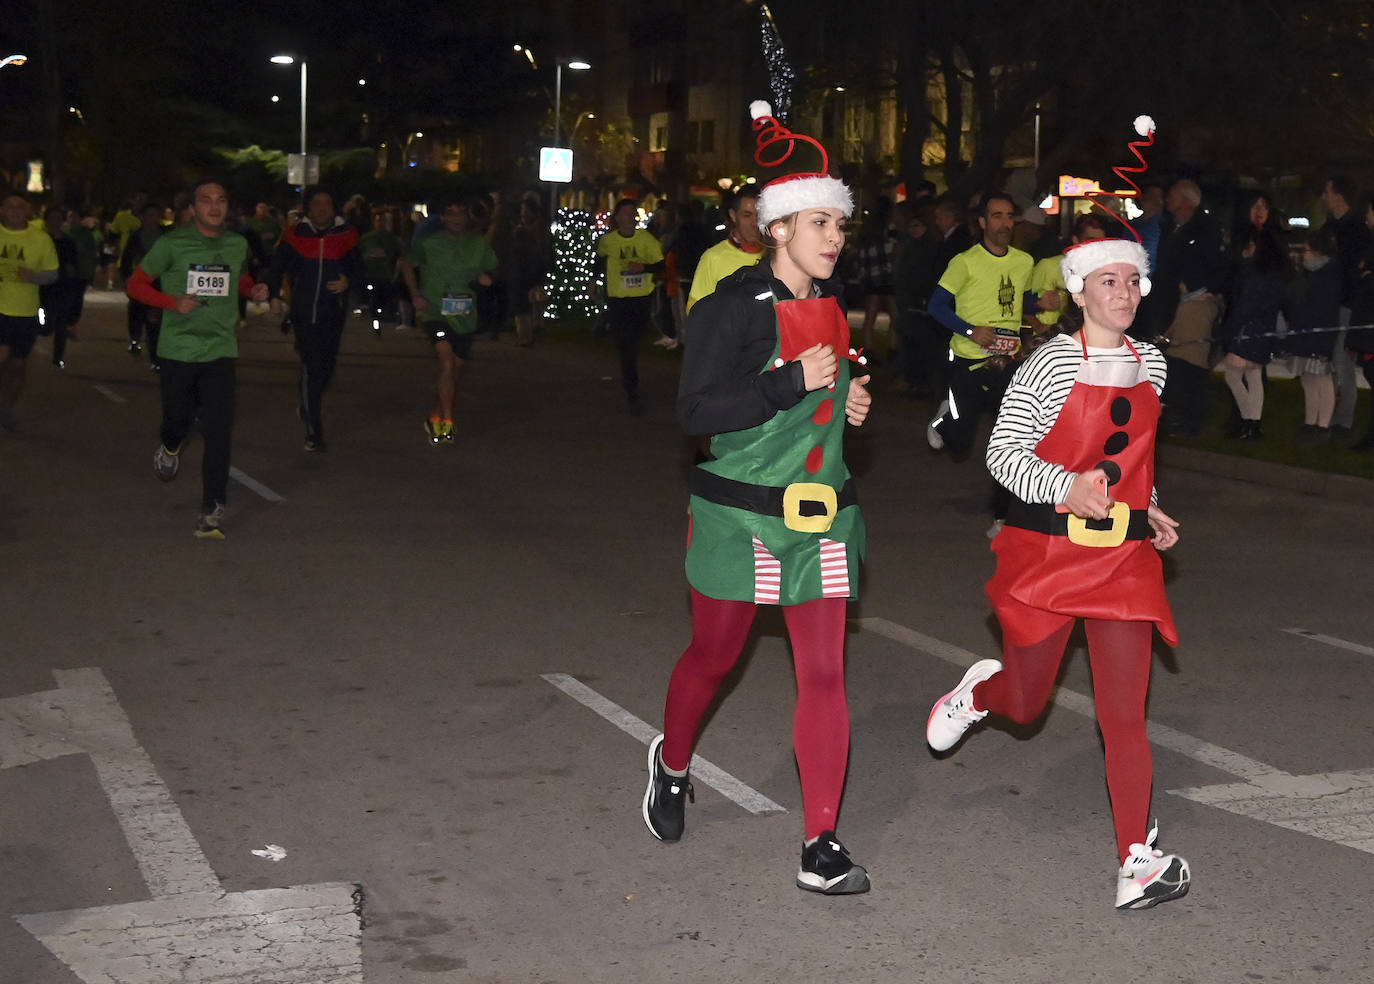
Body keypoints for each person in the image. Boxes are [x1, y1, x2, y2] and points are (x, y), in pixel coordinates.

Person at [644, 101, 873, 896]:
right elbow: (695, 413)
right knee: (716, 657)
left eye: (839, 224)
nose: (834, 238)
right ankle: (672, 764)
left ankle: (821, 842)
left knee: (824, 674)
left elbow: (821, 390)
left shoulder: (835, 305)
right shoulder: (730, 309)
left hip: (822, 516)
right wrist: (787, 384)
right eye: (819, 224)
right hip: (739, 515)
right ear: (778, 228)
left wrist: (843, 404)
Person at [925, 232, 1191, 912]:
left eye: (1132, 282)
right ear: (1077, 293)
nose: (1123, 294)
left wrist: (1150, 508)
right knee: (1026, 704)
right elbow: (1004, 454)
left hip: (1121, 561)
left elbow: (1132, 457)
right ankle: (978, 696)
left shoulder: (1151, 366)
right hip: (1047, 554)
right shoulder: (1048, 365)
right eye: (1108, 283)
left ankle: (1136, 860)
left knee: (1124, 714)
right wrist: (1063, 485)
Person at [125, 179, 269, 538]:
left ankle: (212, 509)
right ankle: (171, 445)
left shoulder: (238, 243)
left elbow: (240, 278)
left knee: (219, 430)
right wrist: (173, 303)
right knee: (178, 420)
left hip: (220, 348)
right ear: (192, 208)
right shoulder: (172, 243)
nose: (214, 206)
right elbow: (136, 285)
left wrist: (254, 289)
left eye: (221, 200)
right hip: (178, 349)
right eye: (206, 200)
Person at [926, 192, 1036, 537]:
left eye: (1009, 216)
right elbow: (937, 306)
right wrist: (972, 331)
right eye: (996, 216)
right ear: (983, 223)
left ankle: (1003, 518)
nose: (1004, 223)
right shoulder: (966, 261)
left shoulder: (1024, 262)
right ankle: (946, 420)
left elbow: (1023, 297)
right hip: (970, 363)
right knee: (960, 444)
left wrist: (1041, 300)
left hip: (1009, 365)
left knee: (1011, 443)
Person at [398, 194, 499, 444]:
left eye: (460, 213)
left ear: (466, 217)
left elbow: (493, 269)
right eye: (450, 213)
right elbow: (406, 264)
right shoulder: (429, 243)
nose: (456, 218)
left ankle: (435, 415)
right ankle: (448, 423)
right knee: (446, 364)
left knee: (454, 370)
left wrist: (486, 278)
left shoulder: (478, 243)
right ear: (442, 217)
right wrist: (416, 295)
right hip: (436, 313)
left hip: (465, 316)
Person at [268, 187, 363, 452]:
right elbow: (277, 267)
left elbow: (360, 270)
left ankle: (307, 400)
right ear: (308, 209)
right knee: (311, 365)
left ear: (334, 208)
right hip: (303, 312)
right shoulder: (294, 234)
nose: (322, 208)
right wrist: (274, 296)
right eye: (317, 203)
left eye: (327, 203)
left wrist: (349, 281)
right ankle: (314, 432)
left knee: (327, 367)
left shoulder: (348, 235)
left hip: (333, 312)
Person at [1151, 179, 1227, 436]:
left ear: (1185, 199)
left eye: (1171, 194)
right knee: (1172, 361)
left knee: (1190, 361)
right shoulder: (1172, 228)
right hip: (1172, 302)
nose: (1167, 200)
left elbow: (1216, 264)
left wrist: (1196, 286)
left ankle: (1191, 418)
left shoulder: (1205, 228)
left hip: (1194, 302)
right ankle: (1177, 413)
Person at [596, 199, 665, 415]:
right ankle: (632, 391)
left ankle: (632, 380)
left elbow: (661, 264)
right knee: (626, 346)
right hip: (618, 299)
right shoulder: (608, 241)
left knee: (634, 342)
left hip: (640, 299)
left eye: (631, 213)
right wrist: (592, 283)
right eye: (624, 213)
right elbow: (598, 261)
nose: (628, 218)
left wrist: (643, 266)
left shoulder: (646, 239)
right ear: (617, 217)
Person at [1219, 226, 1288, 440]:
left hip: (1246, 332)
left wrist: (1229, 331)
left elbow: (1243, 307)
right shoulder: (1275, 275)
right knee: (1254, 375)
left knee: (1233, 376)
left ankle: (1249, 421)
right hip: (1263, 331)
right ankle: (1254, 425)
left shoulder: (1252, 274)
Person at [0, 193, 59, 430]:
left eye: (20, 207)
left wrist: (33, 276)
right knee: (2, 356)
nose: (14, 211)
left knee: (17, 365)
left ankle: (6, 409)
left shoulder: (41, 239)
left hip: (26, 312)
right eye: (9, 206)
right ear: (2, 210)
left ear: (28, 211)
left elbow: (53, 273)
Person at [1318, 175, 1370, 439]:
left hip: (1345, 304)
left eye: (1327, 191)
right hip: (1332, 302)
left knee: (1342, 360)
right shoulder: (1332, 227)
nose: (1323, 196)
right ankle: (1331, 414)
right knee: (1332, 360)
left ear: (1338, 195)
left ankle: (1344, 420)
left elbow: (1354, 271)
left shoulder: (1355, 229)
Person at [1286, 227, 1344, 448]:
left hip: (1318, 337)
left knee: (1321, 378)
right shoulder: (1311, 273)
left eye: (1308, 250)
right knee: (1308, 378)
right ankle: (1310, 423)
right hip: (1305, 334)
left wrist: (1324, 345)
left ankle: (1323, 425)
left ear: (1319, 251)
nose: (1304, 254)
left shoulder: (1329, 274)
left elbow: (1327, 312)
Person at [686, 186, 763, 313]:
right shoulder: (713, 258)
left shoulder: (777, 254)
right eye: (747, 215)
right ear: (733, 215)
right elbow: (695, 312)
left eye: (759, 215)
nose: (754, 222)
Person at [38, 206, 85, 370]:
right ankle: (41, 324)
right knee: (46, 325)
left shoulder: (68, 241)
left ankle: (58, 358)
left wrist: (72, 272)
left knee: (61, 324)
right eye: (52, 218)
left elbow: (74, 264)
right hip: (45, 286)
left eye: (58, 218)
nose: (55, 222)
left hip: (64, 286)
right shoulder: (41, 240)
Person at [122, 202, 166, 366]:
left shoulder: (165, 236)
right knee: (136, 312)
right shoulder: (136, 236)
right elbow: (126, 259)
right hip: (139, 281)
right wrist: (127, 277)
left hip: (159, 282)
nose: (151, 219)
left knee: (154, 319)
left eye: (155, 215)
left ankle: (155, 358)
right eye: (148, 215)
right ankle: (135, 339)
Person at [507, 198, 549, 347]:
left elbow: (539, 250)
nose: (522, 213)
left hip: (527, 274)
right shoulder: (525, 228)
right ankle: (533, 328)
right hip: (528, 273)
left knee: (525, 305)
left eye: (524, 210)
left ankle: (528, 334)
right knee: (530, 303)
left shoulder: (533, 230)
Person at [359, 208, 405, 331]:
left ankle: (384, 315)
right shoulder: (366, 238)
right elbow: (359, 254)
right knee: (373, 297)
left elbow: (399, 255)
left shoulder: (392, 239)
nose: (380, 223)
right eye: (378, 220)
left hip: (386, 275)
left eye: (383, 221)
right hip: (371, 274)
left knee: (385, 296)